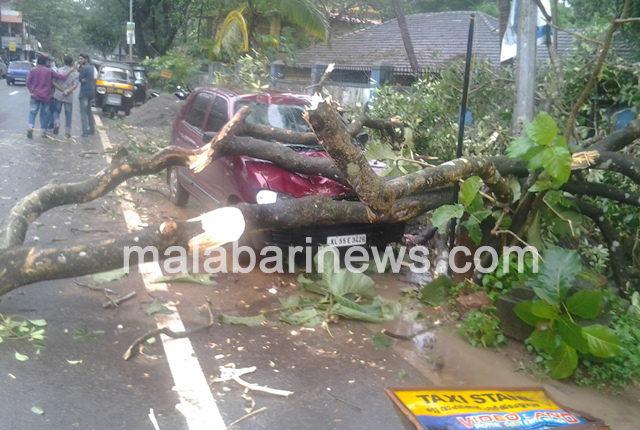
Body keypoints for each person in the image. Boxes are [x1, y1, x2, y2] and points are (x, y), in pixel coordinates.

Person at [25, 55, 74, 139]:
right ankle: (44, 132)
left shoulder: (33, 70)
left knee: (33, 112)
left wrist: (31, 92)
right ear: (45, 62)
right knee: (45, 113)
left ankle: (30, 126)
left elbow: (27, 82)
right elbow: (62, 77)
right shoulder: (49, 71)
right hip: (46, 96)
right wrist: (70, 70)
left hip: (35, 95)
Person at [51, 56, 79, 138]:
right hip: (68, 96)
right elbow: (75, 85)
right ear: (71, 62)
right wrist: (67, 91)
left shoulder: (58, 70)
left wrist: (62, 90)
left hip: (58, 95)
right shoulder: (75, 73)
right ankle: (67, 133)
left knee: (56, 111)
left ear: (64, 61)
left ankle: (57, 122)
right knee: (68, 114)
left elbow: (54, 82)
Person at [77, 53, 96, 137]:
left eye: (81, 59)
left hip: (84, 93)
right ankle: (92, 130)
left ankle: (85, 132)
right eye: (79, 59)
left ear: (86, 59)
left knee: (83, 112)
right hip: (91, 92)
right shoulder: (91, 67)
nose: (80, 60)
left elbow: (80, 79)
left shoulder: (84, 68)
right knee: (89, 112)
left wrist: (81, 79)